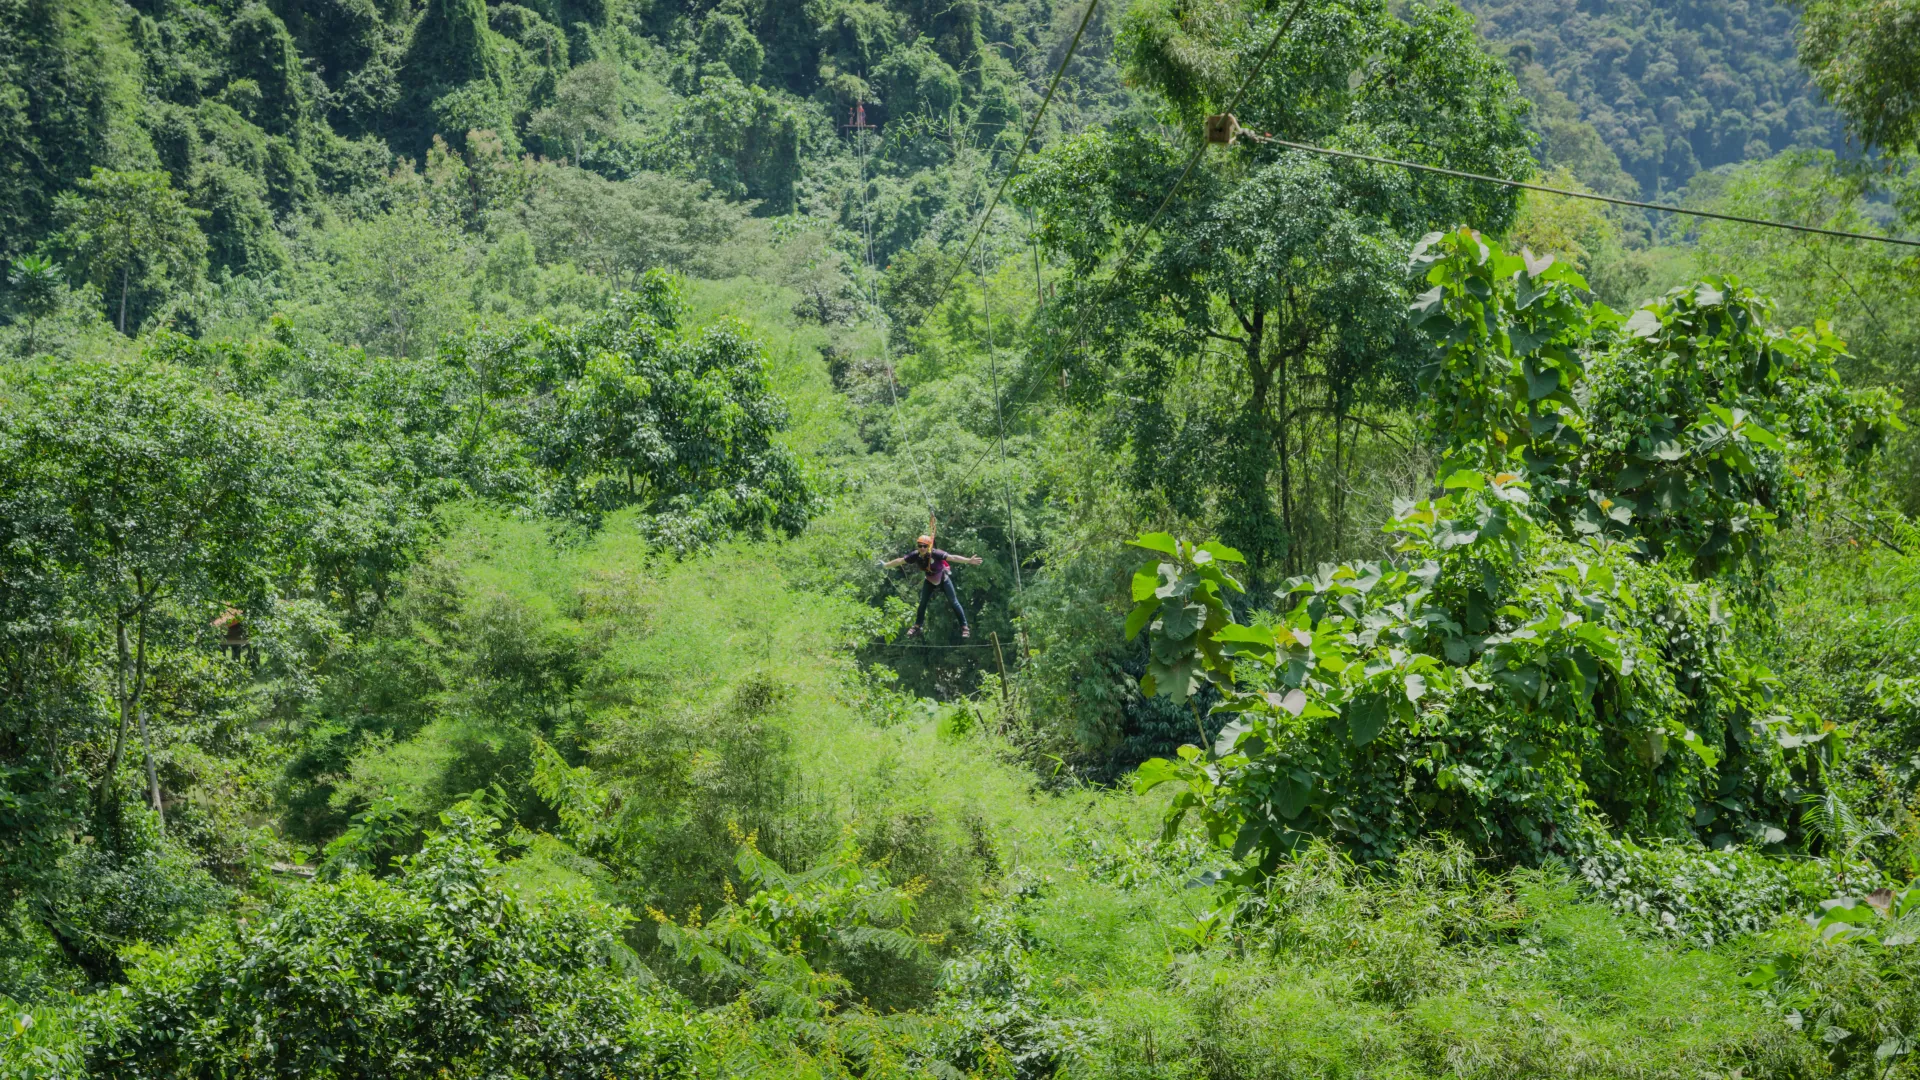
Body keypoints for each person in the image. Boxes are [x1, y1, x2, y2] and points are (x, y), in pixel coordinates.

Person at [880, 535, 982, 638]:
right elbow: (900, 561)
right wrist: (886, 565)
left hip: (943, 579)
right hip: (929, 580)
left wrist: (968, 560)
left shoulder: (936, 553)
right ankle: (917, 626)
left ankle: (964, 627)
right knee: (922, 603)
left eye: (925, 546)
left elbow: (953, 557)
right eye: (920, 546)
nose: (922, 548)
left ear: (929, 546)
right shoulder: (915, 555)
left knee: (953, 602)